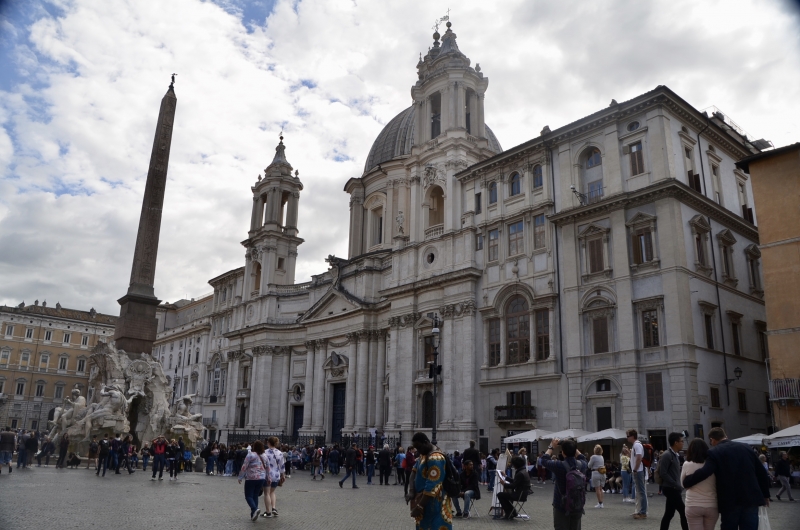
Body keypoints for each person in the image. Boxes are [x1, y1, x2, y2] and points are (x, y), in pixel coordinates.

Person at [682, 427, 770, 530]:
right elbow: (761, 472)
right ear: (725, 436)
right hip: (751, 497)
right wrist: (766, 495)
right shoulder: (746, 447)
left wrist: (688, 481)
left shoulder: (714, 452)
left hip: (730, 500)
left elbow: (705, 472)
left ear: (712, 439)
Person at [407, 432, 452, 530]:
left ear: (426, 442)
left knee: (434, 526)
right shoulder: (424, 454)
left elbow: (432, 486)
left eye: (419, 447)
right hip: (424, 501)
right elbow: (413, 472)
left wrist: (419, 506)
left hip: (434, 503)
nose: (418, 450)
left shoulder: (435, 457)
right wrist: (411, 491)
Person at [541, 437, 588, 530]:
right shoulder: (582, 465)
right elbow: (583, 457)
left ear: (563, 452)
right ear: (575, 451)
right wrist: (572, 445)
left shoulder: (559, 465)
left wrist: (551, 446)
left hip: (561, 503)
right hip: (577, 503)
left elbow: (544, 460)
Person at [681, 438, 718, 530]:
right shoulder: (712, 465)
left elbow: (682, 484)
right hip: (711, 504)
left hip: (693, 503)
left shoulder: (687, 464)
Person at [658, 432, 688, 530]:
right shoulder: (667, 455)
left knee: (669, 513)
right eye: (681, 441)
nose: (683, 443)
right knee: (683, 512)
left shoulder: (675, 454)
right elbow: (663, 473)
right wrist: (675, 484)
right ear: (676, 442)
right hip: (671, 488)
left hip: (674, 488)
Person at [238, 439, 269, 521]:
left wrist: (240, 477)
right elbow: (268, 468)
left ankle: (255, 509)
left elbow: (244, 466)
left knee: (248, 496)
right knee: (255, 495)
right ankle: (253, 515)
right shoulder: (265, 456)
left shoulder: (250, 455)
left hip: (251, 478)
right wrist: (268, 478)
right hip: (261, 478)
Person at [495, 455, 531, 520]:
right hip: (523, 494)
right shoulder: (524, 471)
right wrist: (506, 476)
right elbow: (515, 481)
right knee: (506, 496)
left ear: (515, 465)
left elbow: (513, 485)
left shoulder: (520, 473)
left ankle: (508, 513)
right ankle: (513, 512)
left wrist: (504, 484)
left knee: (500, 495)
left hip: (519, 495)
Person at [626, 428, 648, 519]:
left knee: (641, 492)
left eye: (628, 436)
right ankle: (640, 511)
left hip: (638, 471)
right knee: (639, 492)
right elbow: (635, 458)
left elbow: (639, 458)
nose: (627, 438)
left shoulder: (637, 445)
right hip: (637, 470)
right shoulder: (635, 445)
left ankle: (643, 512)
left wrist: (635, 469)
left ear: (633, 436)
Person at [262, 436, 285, 518]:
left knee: (266, 493)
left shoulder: (265, 453)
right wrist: (283, 475)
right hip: (276, 475)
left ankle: (268, 512)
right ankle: (274, 508)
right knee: (272, 492)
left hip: (267, 475)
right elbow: (282, 466)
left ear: (268, 443)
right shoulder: (279, 453)